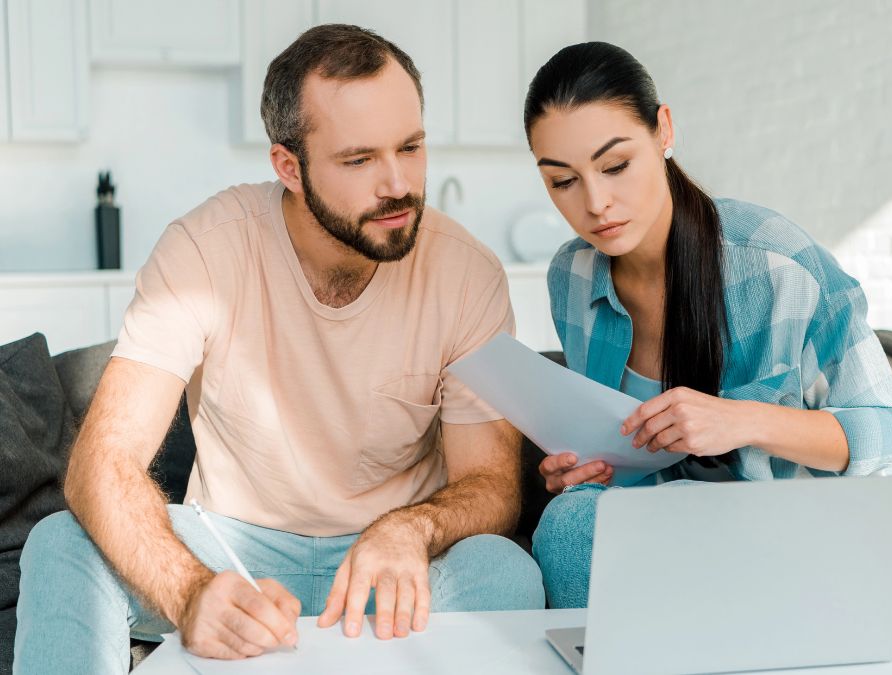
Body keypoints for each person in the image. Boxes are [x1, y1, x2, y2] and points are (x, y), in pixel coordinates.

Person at [15, 24, 543, 674]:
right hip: (230, 551)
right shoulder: (205, 250)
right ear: (288, 166)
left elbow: (489, 482)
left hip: (393, 560)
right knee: (62, 543)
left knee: (504, 570)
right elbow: (102, 462)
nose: (399, 183)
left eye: (411, 147)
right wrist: (189, 592)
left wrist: (411, 528)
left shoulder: (468, 273)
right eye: (359, 160)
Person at [523, 42, 892, 612]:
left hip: (821, 527)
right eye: (562, 181)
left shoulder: (773, 260)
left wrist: (739, 421)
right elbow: (626, 461)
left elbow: (889, 430)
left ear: (663, 131)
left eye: (616, 166)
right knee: (569, 527)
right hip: (691, 528)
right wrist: (587, 469)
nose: (596, 203)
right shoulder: (572, 275)